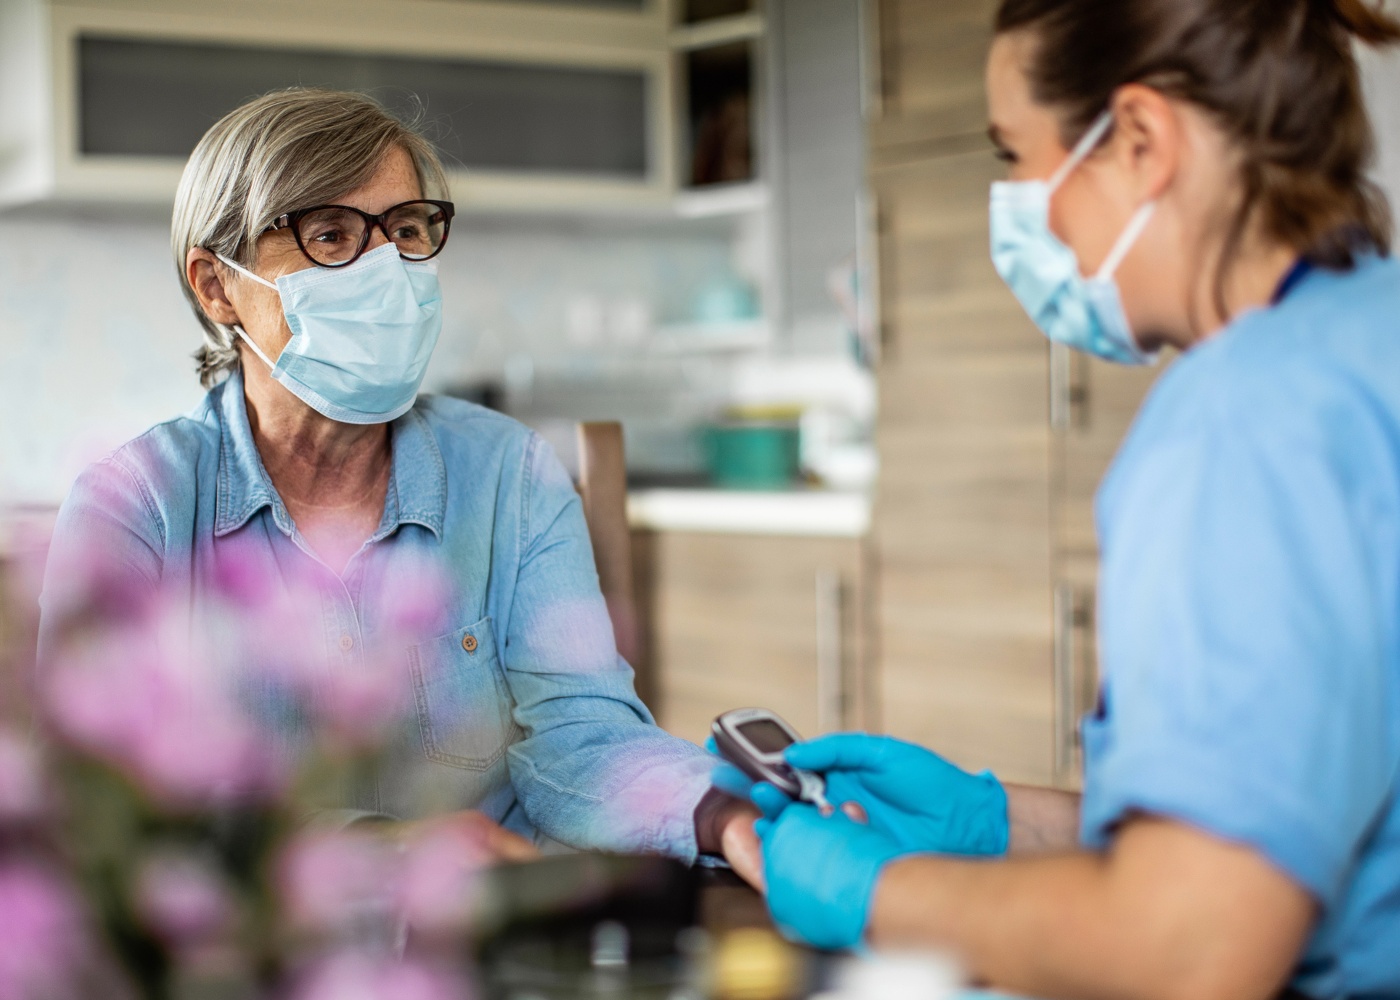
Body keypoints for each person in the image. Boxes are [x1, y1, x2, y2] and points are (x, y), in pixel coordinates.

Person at [722, 1, 1400, 997]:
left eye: (1015, 155)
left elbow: (1189, 949)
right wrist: (1004, 824)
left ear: (1136, 140)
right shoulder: (1366, 337)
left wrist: (886, 894)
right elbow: (1293, 801)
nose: (1014, 203)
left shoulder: (1241, 424)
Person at [36, 88, 759, 876]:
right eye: (331, 235)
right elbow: (103, 805)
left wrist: (725, 816)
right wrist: (386, 851)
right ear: (217, 287)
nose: (387, 270)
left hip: (500, 941)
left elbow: (582, 738)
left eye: (407, 230)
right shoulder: (134, 506)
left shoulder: (509, 475)